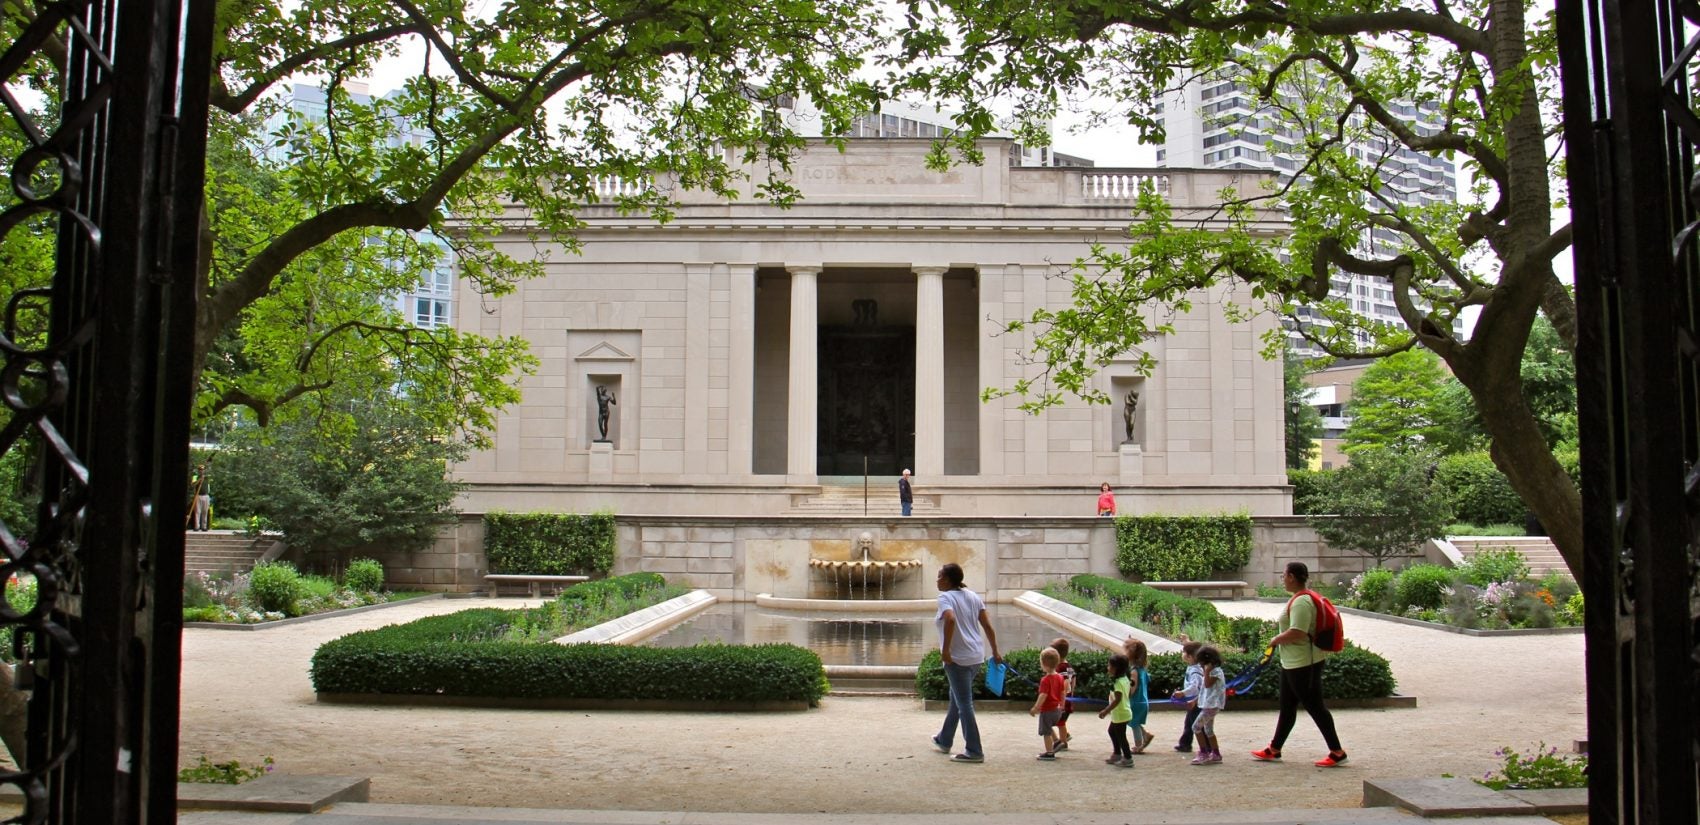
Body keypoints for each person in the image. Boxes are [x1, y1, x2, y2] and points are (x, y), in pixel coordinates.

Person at [1251, 561, 1349, 767]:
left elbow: (1298, 631)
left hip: (1304, 663)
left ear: (1292, 577)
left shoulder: (1302, 602)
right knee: (1287, 707)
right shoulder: (1300, 599)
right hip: (1294, 663)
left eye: (1283, 575)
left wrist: (1275, 640)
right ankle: (1274, 748)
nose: (1282, 579)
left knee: (1315, 707)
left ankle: (1337, 751)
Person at [930, 563, 999, 763]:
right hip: (976, 656)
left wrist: (945, 651)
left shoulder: (945, 597)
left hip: (957, 659)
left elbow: (950, 620)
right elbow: (987, 625)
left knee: (964, 703)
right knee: (957, 698)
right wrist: (994, 650)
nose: (937, 580)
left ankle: (974, 751)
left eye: (939, 576)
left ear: (948, 579)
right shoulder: (972, 595)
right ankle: (944, 739)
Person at [1187, 644, 1226, 765]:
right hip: (1208, 704)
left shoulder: (1215, 672)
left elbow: (1208, 684)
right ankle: (1216, 753)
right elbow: (1205, 689)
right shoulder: (1212, 671)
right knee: (1209, 730)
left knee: (1196, 727)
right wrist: (1195, 700)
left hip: (1211, 705)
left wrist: (1207, 671)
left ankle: (1203, 752)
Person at [1029, 647, 1067, 760]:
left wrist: (1036, 707)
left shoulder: (1045, 680)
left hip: (1047, 710)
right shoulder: (1060, 677)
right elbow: (1063, 692)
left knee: (1046, 732)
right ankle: (1057, 741)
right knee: (1049, 727)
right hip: (1057, 709)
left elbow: (1043, 695)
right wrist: (1062, 705)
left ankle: (1049, 752)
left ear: (1044, 663)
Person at [1097, 653, 1134, 767]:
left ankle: (1127, 758)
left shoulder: (1118, 683)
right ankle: (1117, 753)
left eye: (1109, 665)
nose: (1108, 668)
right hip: (1122, 713)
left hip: (1121, 713)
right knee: (1113, 732)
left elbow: (1117, 700)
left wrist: (1105, 711)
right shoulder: (1125, 679)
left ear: (1116, 668)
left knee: (1121, 736)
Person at [1173, 640, 1205, 753]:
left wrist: (1183, 693)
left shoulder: (1195, 671)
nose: (1182, 654)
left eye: (1184, 652)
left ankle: (1205, 747)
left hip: (1195, 702)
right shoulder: (1193, 667)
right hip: (1193, 701)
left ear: (1190, 657)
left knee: (1197, 725)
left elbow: (1194, 687)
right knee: (1190, 723)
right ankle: (1185, 744)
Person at [1123, 638, 1153, 753]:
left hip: (1136, 701)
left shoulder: (1134, 671)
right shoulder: (1142, 670)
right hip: (1142, 701)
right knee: (1134, 721)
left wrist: (1125, 695)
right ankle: (1146, 735)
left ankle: (1138, 745)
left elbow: (1132, 688)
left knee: (1133, 722)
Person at [1049, 637, 1076, 751]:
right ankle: (1065, 736)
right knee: (1061, 722)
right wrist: (1072, 693)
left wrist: (1062, 702)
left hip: (1062, 701)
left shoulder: (1060, 668)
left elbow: (1065, 684)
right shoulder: (1068, 666)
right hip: (1068, 699)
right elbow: (1073, 680)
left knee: (1059, 722)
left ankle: (1063, 743)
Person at [190, 463, 212, 531]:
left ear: (204, 470)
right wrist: (199, 480)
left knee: (205, 511)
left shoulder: (207, 477)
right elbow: (192, 485)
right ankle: (197, 527)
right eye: (200, 469)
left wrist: (209, 462)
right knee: (197, 511)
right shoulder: (195, 477)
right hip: (198, 495)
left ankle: (204, 527)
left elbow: (210, 470)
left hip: (206, 496)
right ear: (198, 470)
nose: (201, 471)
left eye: (202, 469)